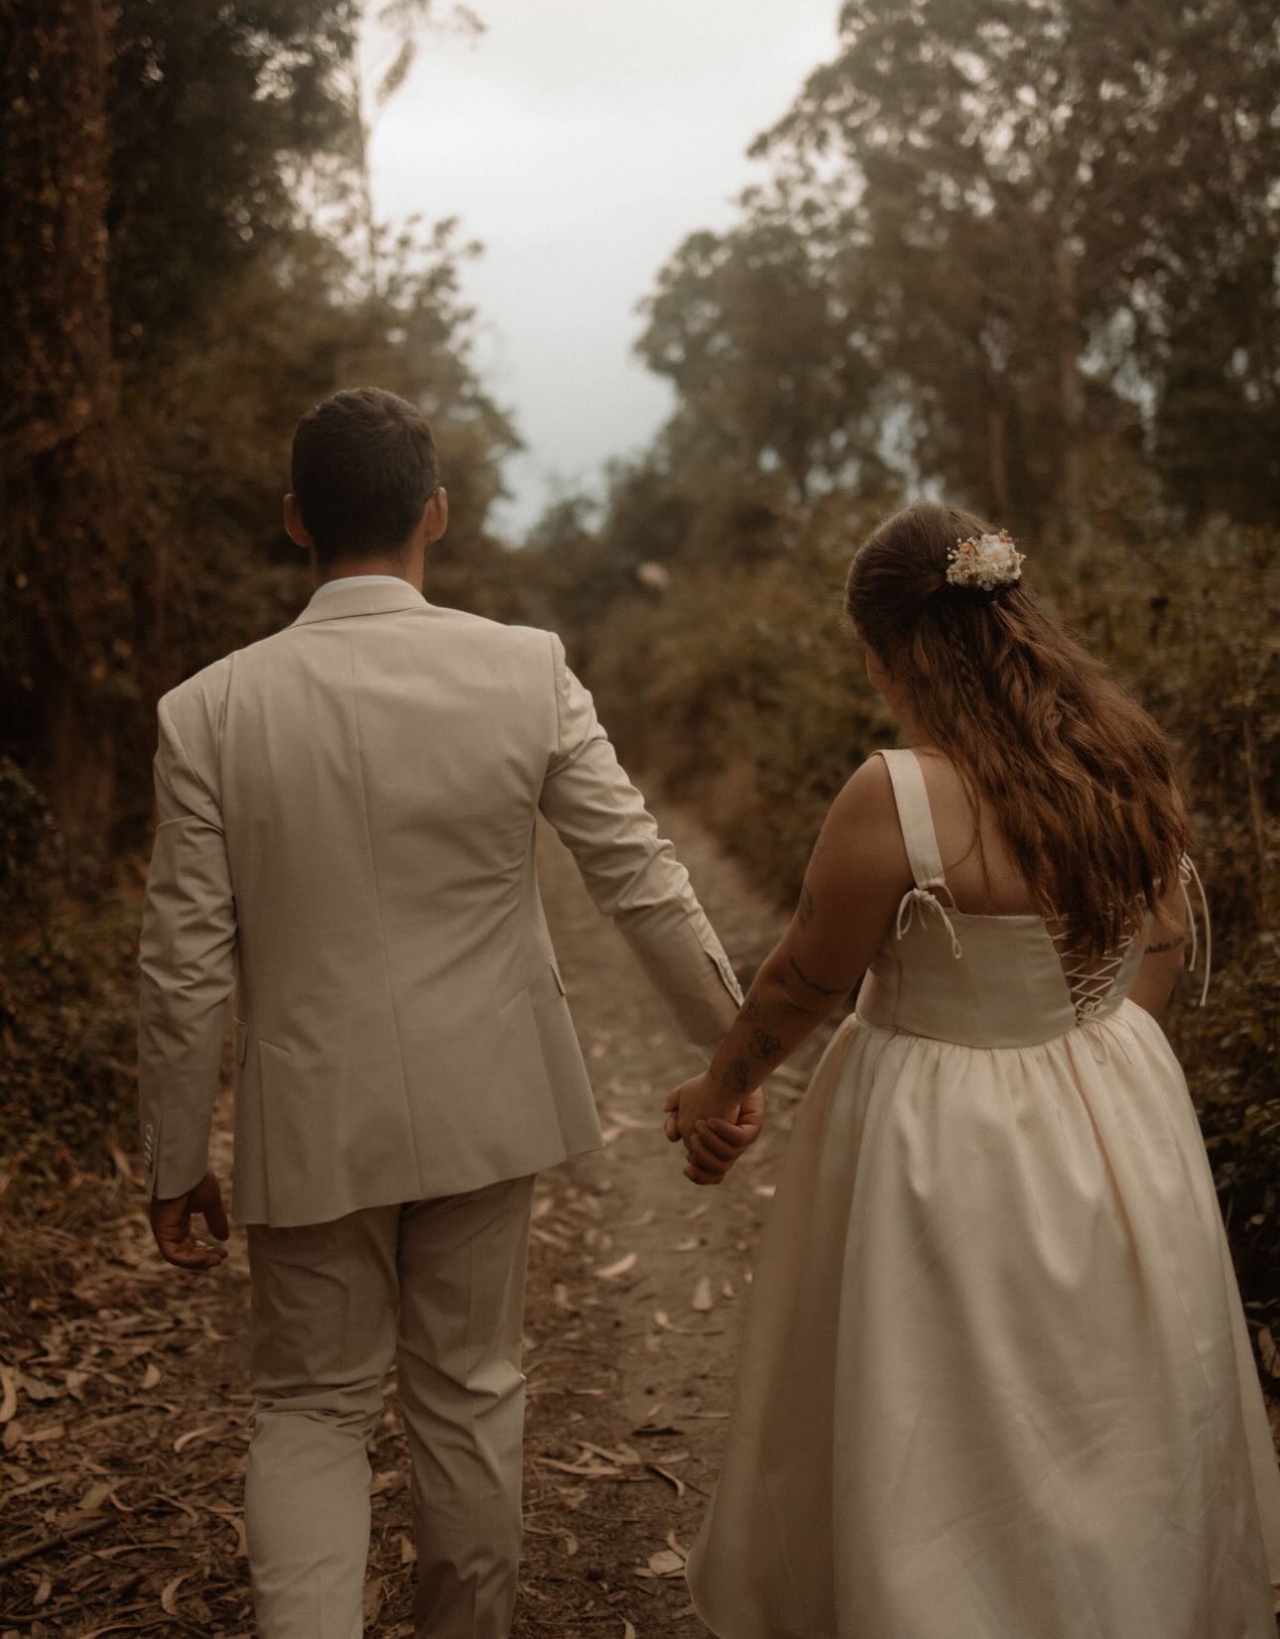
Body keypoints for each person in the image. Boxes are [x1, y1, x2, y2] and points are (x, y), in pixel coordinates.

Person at [136, 386, 760, 1639]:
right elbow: (637, 878)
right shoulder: (522, 670)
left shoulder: (207, 710)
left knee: (309, 1410)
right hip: (488, 1101)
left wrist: (170, 1159)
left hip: (310, 1115)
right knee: (472, 1392)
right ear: (437, 512)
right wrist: (733, 1055)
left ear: (295, 520)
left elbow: (183, 965)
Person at [666, 501, 1280, 1639]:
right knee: (1107, 1394)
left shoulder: (894, 794)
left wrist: (720, 1088)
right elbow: (1161, 943)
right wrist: (1089, 1054)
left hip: (931, 1139)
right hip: (1115, 1108)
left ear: (885, 648)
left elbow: (805, 983)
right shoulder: (1122, 753)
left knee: (938, 1411)